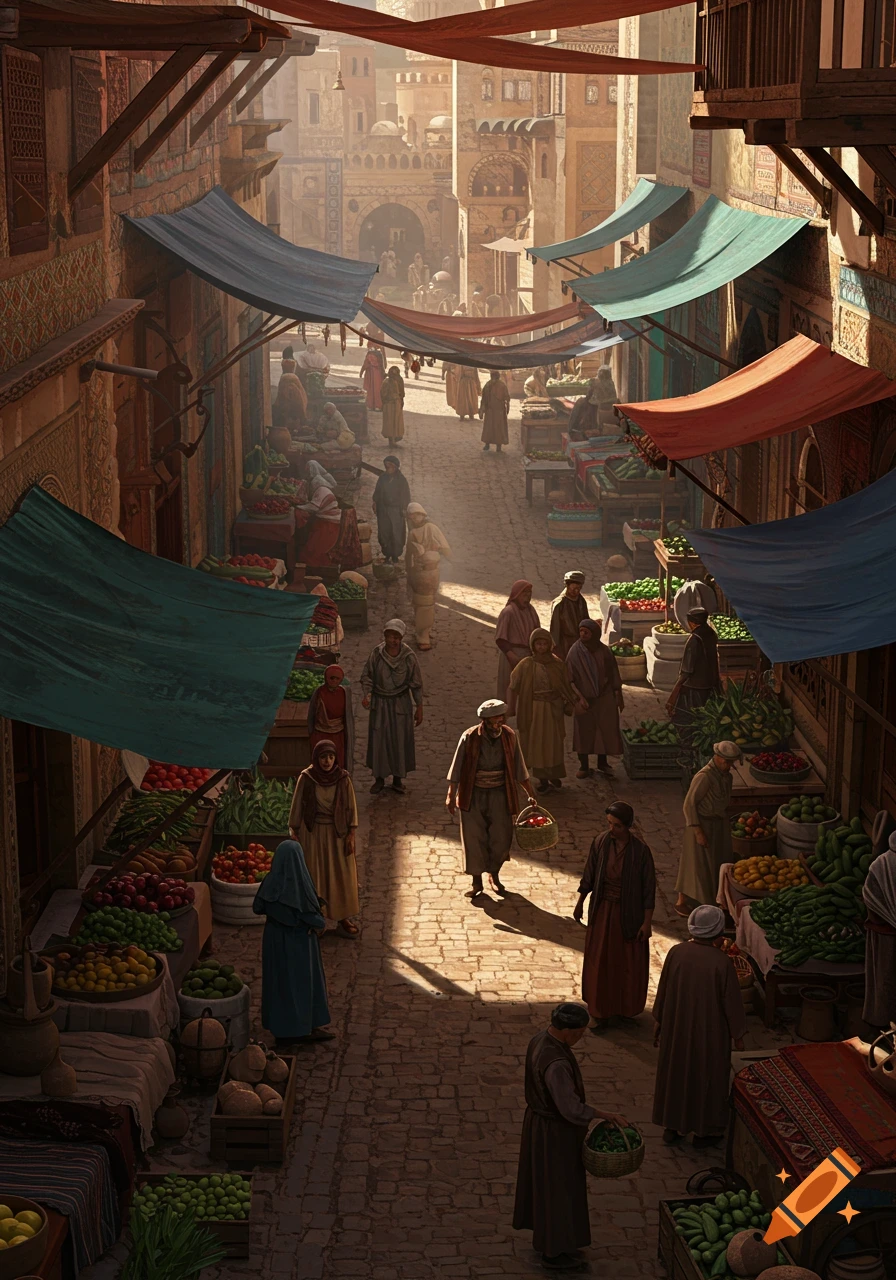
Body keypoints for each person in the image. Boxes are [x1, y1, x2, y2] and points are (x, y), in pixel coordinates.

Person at [513, 1003, 627, 1273]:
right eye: (580, 1032)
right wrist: (603, 1114)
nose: (580, 1037)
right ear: (569, 1032)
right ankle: (553, 1252)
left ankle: (556, 1241)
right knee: (557, 1190)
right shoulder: (557, 1064)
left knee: (548, 1187)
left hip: (539, 1125)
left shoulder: (539, 1039)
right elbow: (571, 1108)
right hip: (555, 1133)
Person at [652, 905, 746, 1147]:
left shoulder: (676, 952)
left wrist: (659, 1019)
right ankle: (706, 1132)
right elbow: (732, 1003)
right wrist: (738, 1035)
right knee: (708, 1077)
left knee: (677, 1074)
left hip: (677, 1028)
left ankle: (673, 1126)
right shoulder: (721, 962)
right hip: (710, 1033)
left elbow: (663, 990)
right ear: (718, 933)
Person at [574, 802, 656, 1030]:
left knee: (626, 963)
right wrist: (581, 902)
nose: (612, 829)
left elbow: (649, 890)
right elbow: (589, 875)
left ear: (627, 826)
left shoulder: (640, 852)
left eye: (617, 826)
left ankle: (623, 1009)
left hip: (629, 914)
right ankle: (600, 1011)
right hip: (603, 912)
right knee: (600, 961)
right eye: (609, 824)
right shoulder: (601, 842)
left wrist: (646, 922)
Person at [446, 699, 537, 898]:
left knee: (501, 837)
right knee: (474, 837)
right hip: (473, 793)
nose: (498, 725)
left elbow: (519, 768)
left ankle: (494, 875)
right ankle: (476, 881)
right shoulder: (469, 737)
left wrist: (530, 793)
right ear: (485, 721)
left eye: (500, 720)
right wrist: (451, 794)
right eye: (494, 721)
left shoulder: (510, 736)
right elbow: (457, 767)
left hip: (500, 794)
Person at [252, 839, 334, 1046]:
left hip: (274, 941)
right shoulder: (299, 885)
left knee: (279, 984)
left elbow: (258, 906)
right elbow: (309, 915)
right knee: (301, 985)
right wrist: (319, 922)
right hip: (299, 944)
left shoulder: (270, 883)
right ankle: (302, 1028)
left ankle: (282, 1028)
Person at [289, 740, 360, 938]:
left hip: (338, 833)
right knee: (315, 874)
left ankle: (343, 917)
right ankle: (316, 918)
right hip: (313, 832)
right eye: (323, 757)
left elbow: (351, 808)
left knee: (341, 875)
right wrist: (294, 830)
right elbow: (297, 806)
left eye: (331, 757)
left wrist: (351, 834)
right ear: (316, 758)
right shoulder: (307, 778)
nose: (327, 761)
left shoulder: (343, 779)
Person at [508, 628, 582, 792]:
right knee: (538, 743)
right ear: (533, 646)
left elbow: (565, 685)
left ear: (549, 645)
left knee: (553, 743)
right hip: (534, 710)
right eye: (538, 644)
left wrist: (573, 700)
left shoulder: (557, 664)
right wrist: (510, 707)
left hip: (552, 710)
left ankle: (553, 773)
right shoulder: (526, 665)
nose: (541, 647)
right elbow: (513, 685)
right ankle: (542, 778)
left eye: (544, 644)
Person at [675, 740, 741, 914]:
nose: (728, 765)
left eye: (731, 762)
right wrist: (698, 831)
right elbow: (689, 804)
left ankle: (715, 898)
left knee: (717, 860)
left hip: (718, 823)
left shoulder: (727, 776)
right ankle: (685, 901)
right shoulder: (704, 776)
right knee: (696, 863)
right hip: (701, 823)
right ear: (717, 757)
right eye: (725, 761)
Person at [360, 619, 424, 794]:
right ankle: (379, 778)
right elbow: (367, 676)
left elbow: (416, 683)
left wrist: (419, 706)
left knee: (399, 740)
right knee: (379, 739)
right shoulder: (376, 654)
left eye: (397, 637)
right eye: (391, 636)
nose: (394, 640)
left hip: (400, 703)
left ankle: (397, 778)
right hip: (380, 704)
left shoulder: (409, 657)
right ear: (385, 636)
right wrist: (367, 694)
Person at [565, 620, 623, 778]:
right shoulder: (575, 652)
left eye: (586, 632)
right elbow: (569, 680)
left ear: (595, 634)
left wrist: (618, 695)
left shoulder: (604, 651)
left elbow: (613, 674)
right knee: (584, 732)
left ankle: (602, 763)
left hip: (604, 697)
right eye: (581, 631)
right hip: (584, 698)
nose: (583, 635)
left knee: (605, 730)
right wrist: (579, 697)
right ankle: (584, 765)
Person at [405, 501, 451, 650]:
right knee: (423, 603)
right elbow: (410, 555)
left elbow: (445, 549)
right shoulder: (417, 532)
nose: (414, 519)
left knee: (425, 603)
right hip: (423, 572)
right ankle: (422, 631)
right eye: (412, 517)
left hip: (426, 574)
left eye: (416, 516)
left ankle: (423, 636)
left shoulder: (428, 529)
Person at [666, 607, 722, 729]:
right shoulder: (711, 634)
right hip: (710, 683)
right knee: (706, 720)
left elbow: (686, 672)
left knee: (687, 721)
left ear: (692, 622)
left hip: (694, 688)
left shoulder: (694, 639)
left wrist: (673, 695)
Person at [863, 831, 896, 1028]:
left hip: (885, 936)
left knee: (885, 986)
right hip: (887, 935)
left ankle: (882, 1029)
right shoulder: (883, 865)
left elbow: (869, 898)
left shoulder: (881, 864)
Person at [495, 580, 541, 703]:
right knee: (508, 685)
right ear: (517, 595)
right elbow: (501, 639)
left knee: (526, 689)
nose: (527, 597)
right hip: (511, 654)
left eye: (529, 594)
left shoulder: (531, 611)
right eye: (524, 594)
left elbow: (537, 632)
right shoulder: (508, 612)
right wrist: (511, 656)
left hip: (528, 655)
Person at [307, 665, 354, 772]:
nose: (334, 681)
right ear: (326, 678)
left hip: (338, 734)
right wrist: (311, 732)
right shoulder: (319, 692)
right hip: (321, 733)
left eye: (337, 679)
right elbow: (312, 714)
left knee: (338, 761)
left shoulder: (344, 693)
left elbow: (347, 715)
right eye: (331, 678)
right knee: (321, 760)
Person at [372, 456, 411, 565]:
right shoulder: (382, 478)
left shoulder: (401, 480)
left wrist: (404, 509)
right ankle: (387, 554)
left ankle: (395, 555)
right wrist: (375, 502)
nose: (388, 468)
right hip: (383, 510)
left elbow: (405, 496)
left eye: (390, 466)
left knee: (396, 533)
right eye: (386, 466)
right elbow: (377, 492)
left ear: (395, 467)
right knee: (384, 533)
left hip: (396, 511)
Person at [297, 471, 342, 568]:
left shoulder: (322, 491)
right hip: (325, 522)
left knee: (315, 550)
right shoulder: (323, 489)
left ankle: (315, 571)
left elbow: (314, 507)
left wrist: (299, 507)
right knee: (314, 549)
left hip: (329, 524)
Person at [549, 571, 590, 660]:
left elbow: (585, 620)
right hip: (565, 645)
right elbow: (554, 631)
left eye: (579, 589)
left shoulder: (581, 601)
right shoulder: (559, 604)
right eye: (574, 588)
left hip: (580, 644)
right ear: (567, 585)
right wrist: (556, 650)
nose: (576, 591)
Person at [272, 347, 308, 431]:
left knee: (284, 402)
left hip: (284, 378)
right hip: (294, 378)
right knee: (299, 400)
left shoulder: (284, 362)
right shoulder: (293, 361)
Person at [480, 369, 510, 452]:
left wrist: (482, 410)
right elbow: (507, 398)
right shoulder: (500, 385)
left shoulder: (488, 385)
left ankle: (489, 445)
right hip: (496, 410)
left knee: (491, 427)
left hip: (494, 410)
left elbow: (483, 399)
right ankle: (496, 446)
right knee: (497, 427)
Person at [381, 366, 406, 446]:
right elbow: (383, 394)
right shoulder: (387, 382)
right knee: (391, 422)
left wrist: (401, 401)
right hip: (390, 404)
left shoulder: (398, 380)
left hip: (395, 404)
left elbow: (401, 393)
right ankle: (391, 440)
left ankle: (394, 438)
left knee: (395, 422)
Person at [360, 343, 387, 411]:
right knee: (377, 389)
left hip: (370, 373)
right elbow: (382, 365)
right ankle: (378, 406)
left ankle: (370, 405)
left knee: (370, 389)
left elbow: (365, 364)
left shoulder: (369, 354)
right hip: (378, 374)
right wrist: (383, 373)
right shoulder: (379, 354)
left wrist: (361, 371)